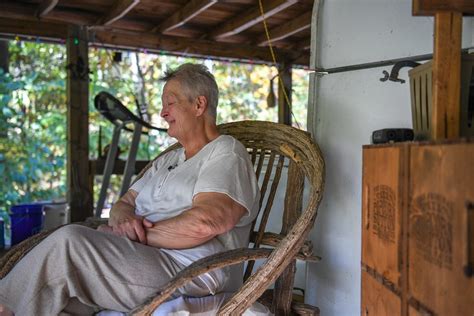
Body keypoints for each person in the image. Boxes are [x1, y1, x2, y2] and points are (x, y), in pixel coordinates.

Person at [0, 63, 260, 315]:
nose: (162, 113)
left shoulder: (225, 152)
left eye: (170, 103)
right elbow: (123, 204)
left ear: (199, 105)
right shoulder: (168, 159)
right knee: (59, 299)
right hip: (141, 258)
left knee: (69, 243)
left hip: (192, 269)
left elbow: (206, 222)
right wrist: (123, 221)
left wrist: (133, 235)